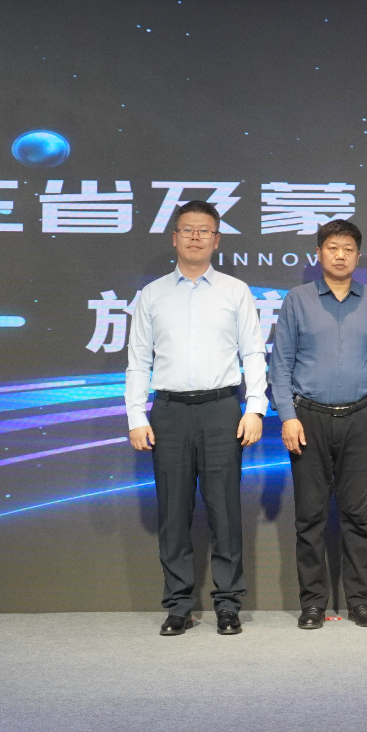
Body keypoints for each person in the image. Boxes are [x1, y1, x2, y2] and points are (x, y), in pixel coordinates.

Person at [124, 199, 267, 637]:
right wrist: (135, 414)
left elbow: (253, 352)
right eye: (187, 229)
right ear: (174, 237)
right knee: (173, 513)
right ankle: (178, 605)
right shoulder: (152, 295)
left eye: (204, 231)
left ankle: (228, 604)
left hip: (222, 409)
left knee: (225, 511)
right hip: (168, 412)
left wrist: (255, 407)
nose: (195, 237)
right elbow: (138, 360)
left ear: (216, 240)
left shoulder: (235, 291)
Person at [269, 219, 367, 631]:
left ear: (359, 255)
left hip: (360, 418)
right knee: (310, 516)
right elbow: (281, 364)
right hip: (308, 419)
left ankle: (360, 601)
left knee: (357, 515)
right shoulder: (297, 300)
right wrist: (287, 417)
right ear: (319, 253)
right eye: (333, 248)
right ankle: (313, 604)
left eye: (348, 249)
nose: (340, 256)